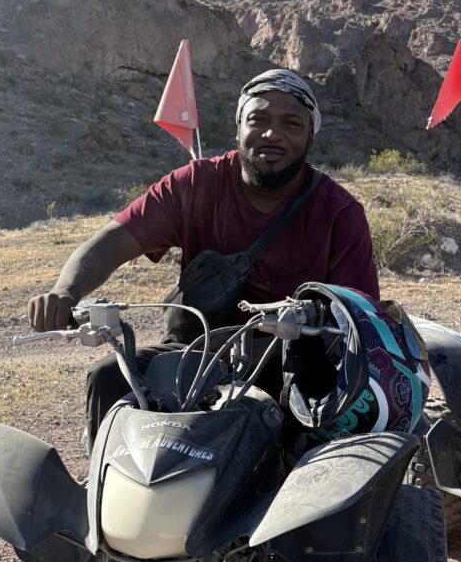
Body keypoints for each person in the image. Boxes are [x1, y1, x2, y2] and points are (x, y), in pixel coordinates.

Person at [28, 68, 379, 448]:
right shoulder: (194, 184)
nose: (271, 133)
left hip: (288, 367)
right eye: (257, 119)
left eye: (290, 124)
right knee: (109, 376)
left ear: (310, 135)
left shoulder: (339, 212)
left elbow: (359, 319)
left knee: (310, 457)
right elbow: (115, 239)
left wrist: (260, 350)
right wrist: (66, 291)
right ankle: (103, 500)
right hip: (191, 355)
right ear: (238, 128)